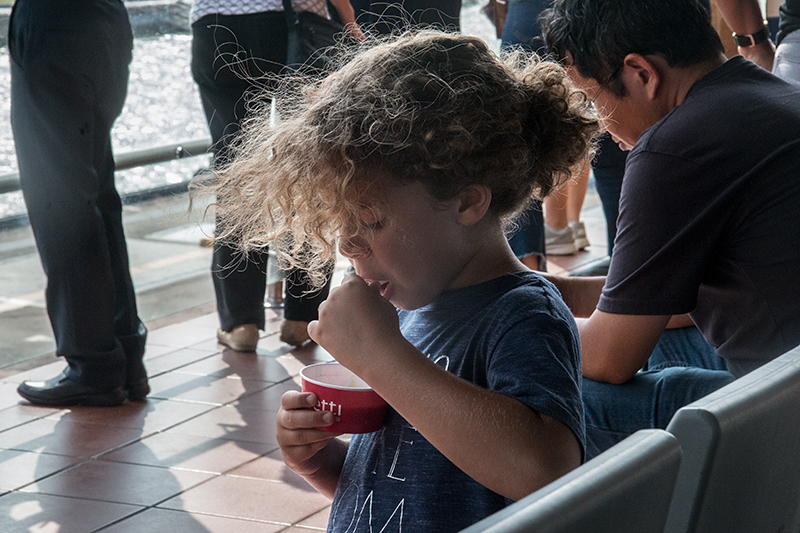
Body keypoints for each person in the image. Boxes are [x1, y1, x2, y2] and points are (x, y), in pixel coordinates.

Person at [208, 30, 596, 531]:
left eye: (370, 221)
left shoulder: (522, 314)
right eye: (341, 221)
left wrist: (381, 357)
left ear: (466, 202)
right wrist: (322, 463)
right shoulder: (413, 307)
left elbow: (544, 469)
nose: (347, 245)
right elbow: (411, 486)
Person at [541, 0, 800, 458]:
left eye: (593, 99)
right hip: (783, 361)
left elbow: (609, 359)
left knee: (546, 394)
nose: (599, 124)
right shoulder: (772, 94)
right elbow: (669, 297)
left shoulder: (672, 150)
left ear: (641, 73)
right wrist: (554, 292)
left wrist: (519, 323)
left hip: (782, 409)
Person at [191, 0, 362, 351]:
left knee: (236, 171)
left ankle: (241, 324)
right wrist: (349, 24)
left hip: (216, 25)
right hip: (293, 26)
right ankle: (302, 318)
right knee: (306, 166)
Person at [10, 0, 149, 407]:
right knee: (98, 195)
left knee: (59, 202)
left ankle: (94, 365)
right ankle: (125, 361)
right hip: (103, 24)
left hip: (54, 25)